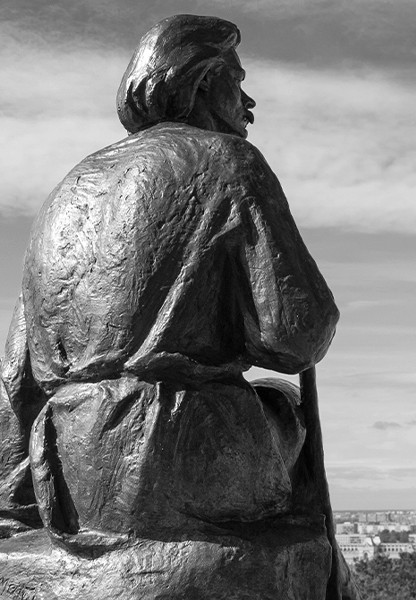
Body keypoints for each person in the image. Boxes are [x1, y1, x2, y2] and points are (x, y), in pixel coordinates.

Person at [0, 14, 353, 599]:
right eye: (236, 82)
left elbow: (18, 371)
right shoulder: (230, 161)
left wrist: (13, 494)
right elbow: (295, 338)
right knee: (285, 405)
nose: (249, 102)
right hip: (178, 452)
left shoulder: (70, 188)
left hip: (67, 464)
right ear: (198, 83)